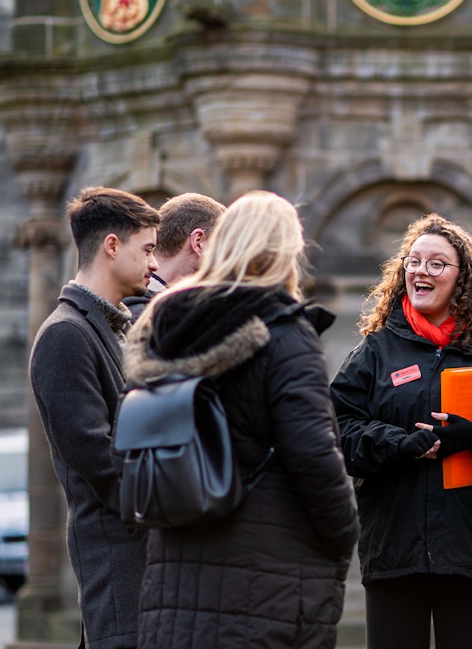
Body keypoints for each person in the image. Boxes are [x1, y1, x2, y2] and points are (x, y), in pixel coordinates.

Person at [124, 190, 359, 649]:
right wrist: (344, 532)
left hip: (175, 564)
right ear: (286, 251)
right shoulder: (285, 332)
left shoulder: (164, 324)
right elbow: (313, 453)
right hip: (266, 575)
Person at [331, 214, 472, 649]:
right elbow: (337, 429)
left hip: (470, 551)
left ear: (463, 279)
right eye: (414, 261)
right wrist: (399, 444)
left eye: (436, 264)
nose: (421, 271)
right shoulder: (375, 351)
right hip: (393, 551)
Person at [28, 186, 160, 649]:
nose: (155, 264)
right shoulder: (65, 334)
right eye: (147, 249)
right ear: (111, 246)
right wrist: (177, 501)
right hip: (120, 568)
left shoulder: (110, 325)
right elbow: (99, 460)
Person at [124, 192, 225, 319]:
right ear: (198, 242)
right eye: (224, 245)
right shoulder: (153, 319)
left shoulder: (130, 305)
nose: (226, 260)